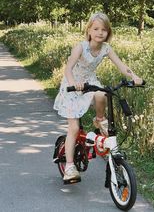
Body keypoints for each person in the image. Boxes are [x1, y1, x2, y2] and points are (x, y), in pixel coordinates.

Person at [54, 12, 143, 183]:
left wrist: (134, 77)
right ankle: (70, 167)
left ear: (108, 33)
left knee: (103, 93)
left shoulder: (106, 49)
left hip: (90, 82)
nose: (100, 32)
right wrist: (74, 83)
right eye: (96, 29)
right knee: (73, 128)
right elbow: (68, 69)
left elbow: (122, 66)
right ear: (89, 30)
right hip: (73, 86)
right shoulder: (80, 47)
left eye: (104, 30)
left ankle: (99, 118)